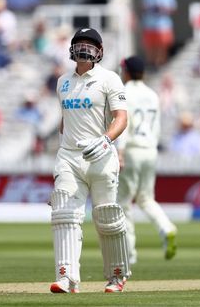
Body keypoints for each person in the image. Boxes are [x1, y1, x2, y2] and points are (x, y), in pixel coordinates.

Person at [49, 28, 130, 293]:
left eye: (90, 44)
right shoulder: (63, 82)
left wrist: (106, 140)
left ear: (100, 51)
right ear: (71, 49)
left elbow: (121, 118)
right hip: (70, 157)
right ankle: (67, 277)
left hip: (101, 156)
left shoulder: (110, 79)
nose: (84, 48)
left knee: (106, 217)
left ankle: (117, 276)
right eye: (79, 43)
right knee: (64, 212)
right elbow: (65, 123)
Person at [116, 56, 177, 265]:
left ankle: (129, 254)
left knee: (123, 202)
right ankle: (167, 228)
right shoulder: (152, 94)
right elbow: (157, 127)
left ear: (126, 71)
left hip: (131, 149)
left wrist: (120, 151)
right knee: (146, 198)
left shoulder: (124, 92)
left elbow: (122, 123)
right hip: (150, 150)